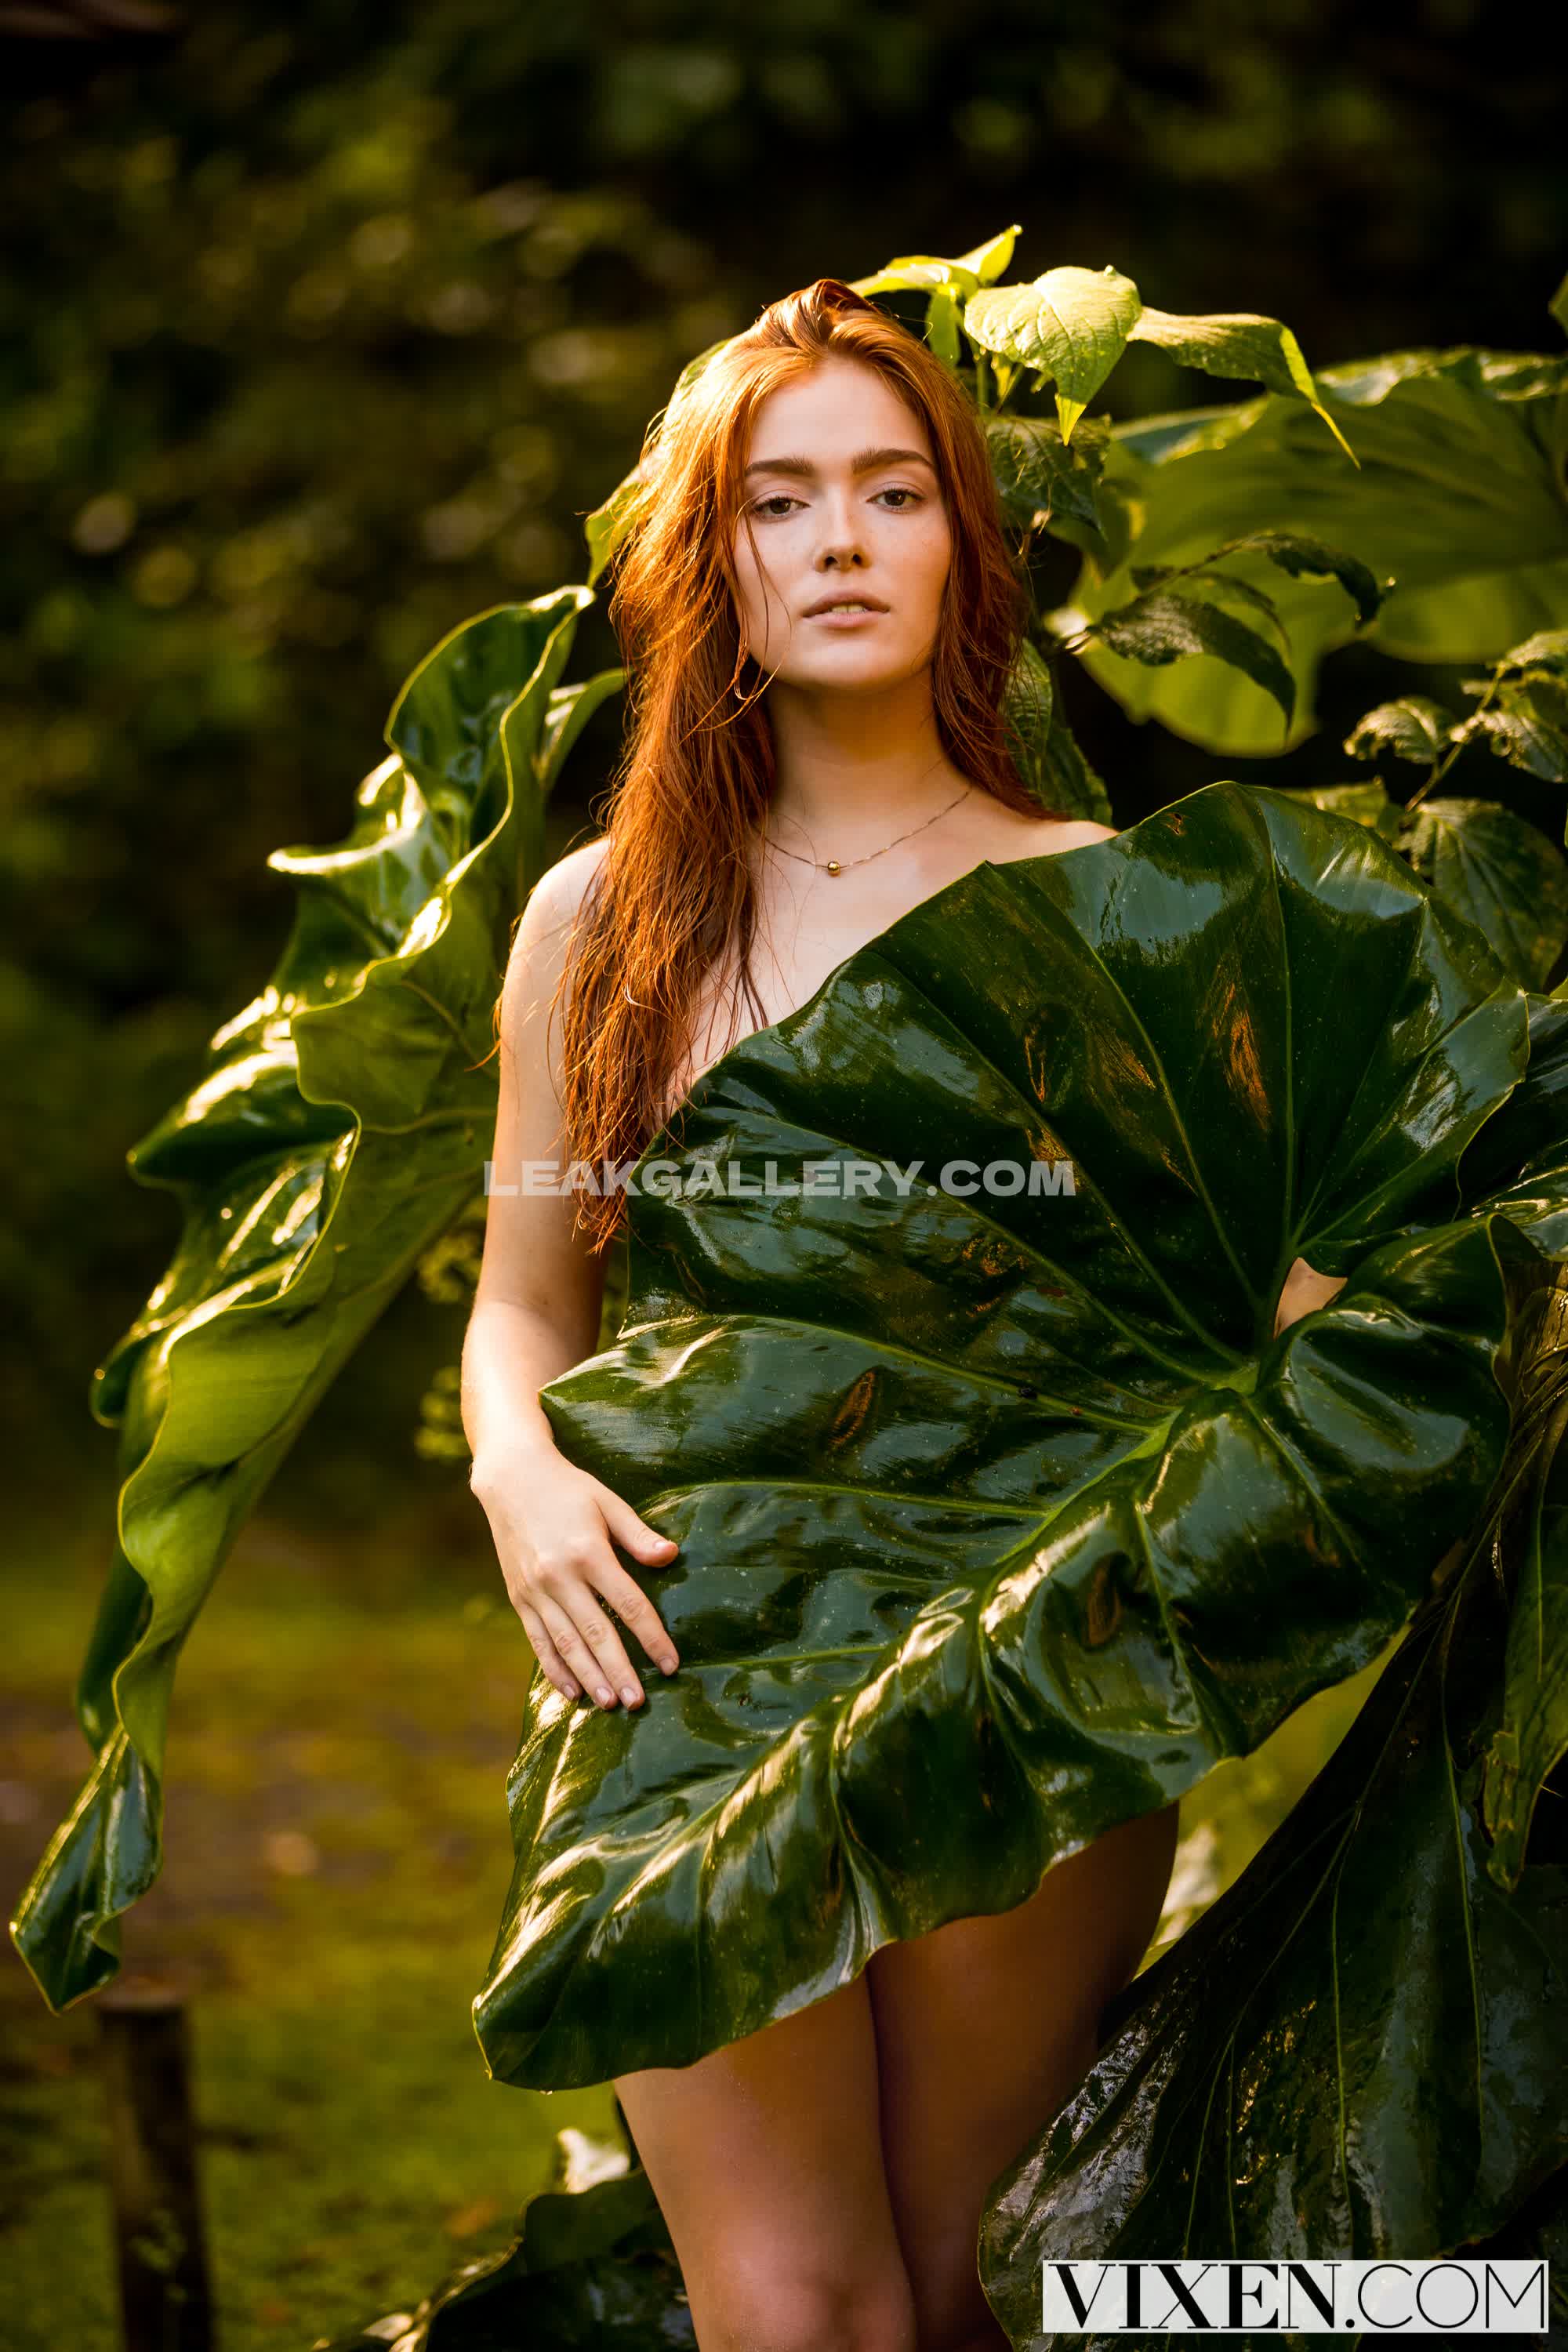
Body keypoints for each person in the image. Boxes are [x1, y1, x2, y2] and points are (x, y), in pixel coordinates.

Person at [462, 279, 1334, 2352]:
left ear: (964, 547)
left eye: (892, 490)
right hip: (679, 1644)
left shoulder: (1113, 900)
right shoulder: (603, 919)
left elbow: (1292, 1304)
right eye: (778, 502)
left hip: (1017, 1645)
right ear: (710, 563)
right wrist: (521, 1478)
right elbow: (524, 1298)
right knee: (789, 2309)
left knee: (954, 2293)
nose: (839, 541)